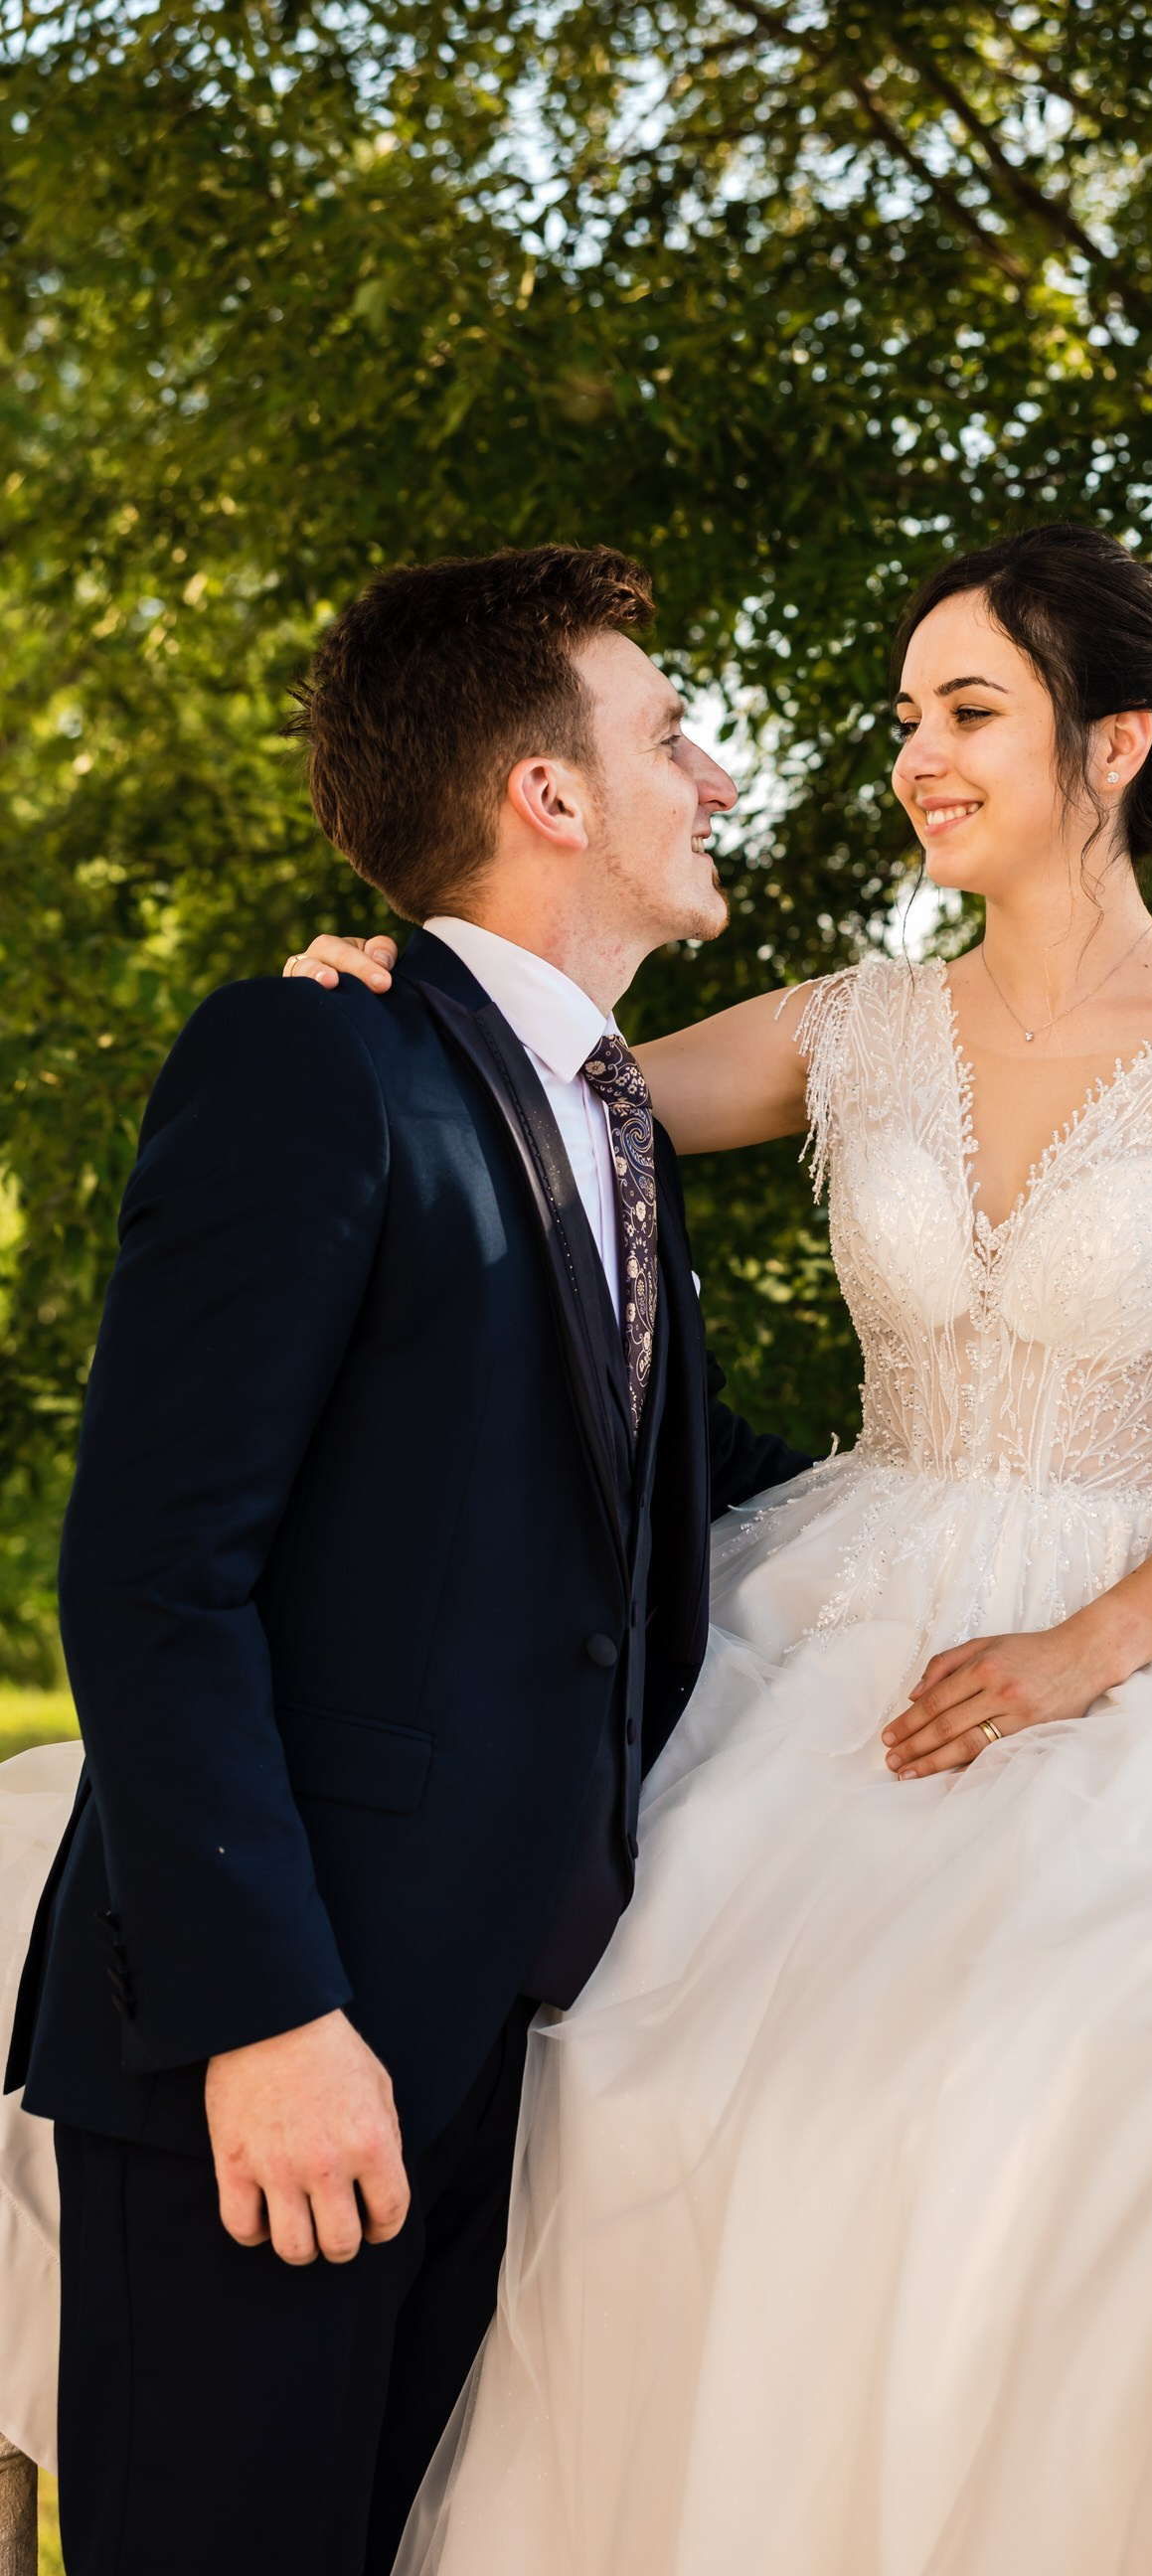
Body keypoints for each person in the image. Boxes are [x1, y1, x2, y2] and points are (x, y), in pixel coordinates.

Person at [274, 526, 1152, 2576]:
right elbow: (536, 1086)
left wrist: (1080, 1651)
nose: (917, 759)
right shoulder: (851, 1026)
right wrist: (388, 997)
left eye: (970, 712)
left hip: (1149, 1643)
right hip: (836, 1624)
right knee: (686, 2076)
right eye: (905, 718)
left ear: (1111, 745)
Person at [0, 542, 808, 2576]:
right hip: (278, 2055)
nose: (712, 778)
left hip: (496, 2056)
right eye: (669, 736)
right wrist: (265, 2019)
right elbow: (155, 1570)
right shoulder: (312, 1059)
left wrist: (1044, 1531)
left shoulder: (612, 1126)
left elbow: (678, 1484)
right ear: (548, 794)